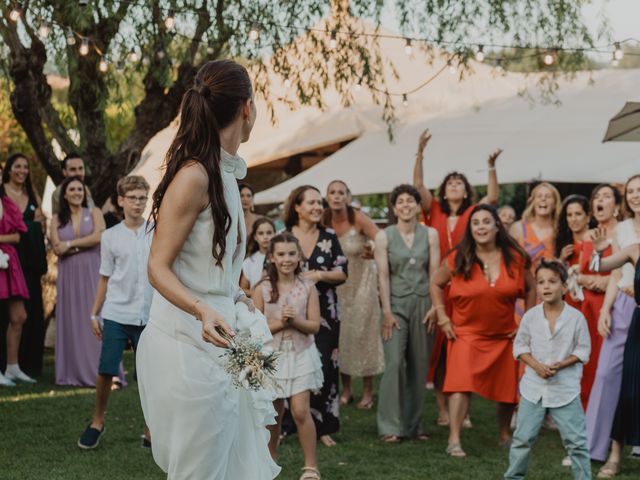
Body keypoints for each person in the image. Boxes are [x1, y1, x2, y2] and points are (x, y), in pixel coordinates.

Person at [135, 60, 280, 479]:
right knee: (201, 469)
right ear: (247, 109)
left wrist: (234, 296)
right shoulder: (194, 175)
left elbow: (209, 265)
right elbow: (157, 267)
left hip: (227, 335)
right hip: (187, 343)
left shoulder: (227, 173)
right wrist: (202, 307)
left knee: (238, 455)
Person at [413, 128, 502, 426]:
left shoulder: (474, 213)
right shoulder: (433, 210)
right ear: (444, 189)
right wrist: (420, 152)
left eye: (459, 182)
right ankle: (442, 409)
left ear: (466, 191)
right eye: (450, 182)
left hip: (467, 287)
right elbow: (418, 186)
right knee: (439, 353)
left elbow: (493, 197)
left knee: (464, 348)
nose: (454, 185)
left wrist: (490, 167)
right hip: (439, 285)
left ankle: (464, 409)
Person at [431, 204, 535, 457]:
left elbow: (531, 288)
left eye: (486, 221)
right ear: (471, 229)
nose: (481, 227)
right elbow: (435, 282)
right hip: (465, 332)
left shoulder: (516, 257)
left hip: (503, 335)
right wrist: (443, 316)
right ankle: (454, 439)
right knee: (460, 384)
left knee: (507, 390)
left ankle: (503, 434)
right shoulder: (457, 258)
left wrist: (526, 323)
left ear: (497, 226)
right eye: (475, 223)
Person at [77, 176, 153, 450]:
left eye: (142, 198)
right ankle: (97, 421)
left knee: (150, 373)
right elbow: (105, 277)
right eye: (132, 197)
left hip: (150, 314)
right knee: (107, 368)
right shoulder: (110, 236)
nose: (137, 203)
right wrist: (94, 314)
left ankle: (150, 428)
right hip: (117, 312)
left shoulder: (156, 231)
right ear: (121, 200)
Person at [505, 259, 591, 480]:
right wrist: (535, 366)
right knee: (522, 439)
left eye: (552, 282)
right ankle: (513, 477)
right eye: (541, 282)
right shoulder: (531, 316)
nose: (546, 287)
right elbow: (520, 346)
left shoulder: (576, 318)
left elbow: (583, 350)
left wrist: (562, 364)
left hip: (565, 390)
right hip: (533, 389)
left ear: (563, 286)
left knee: (577, 443)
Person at [254, 232, 323, 480]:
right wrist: (281, 322)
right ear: (272, 257)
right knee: (273, 413)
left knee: (300, 411)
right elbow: (255, 329)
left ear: (299, 256)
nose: (287, 259)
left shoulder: (307, 287)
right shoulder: (261, 288)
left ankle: (310, 466)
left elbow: (314, 326)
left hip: (301, 353)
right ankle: (270, 461)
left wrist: (296, 320)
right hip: (271, 356)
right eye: (281, 254)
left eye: (292, 254)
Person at [375, 184, 440, 442]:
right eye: (400, 201)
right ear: (394, 207)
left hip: (424, 304)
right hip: (396, 306)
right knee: (393, 365)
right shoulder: (384, 236)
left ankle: (414, 426)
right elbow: (382, 276)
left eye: (410, 201)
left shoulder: (431, 234)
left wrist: (436, 307)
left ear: (417, 205)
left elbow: (434, 273)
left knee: (419, 365)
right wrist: (387, 312)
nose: (405, 205)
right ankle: (390, 426)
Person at [285, 185, 348, 448]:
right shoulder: (285, 237)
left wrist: (319, 275)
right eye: (310, 203)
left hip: (326, 314)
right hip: (290, 313)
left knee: (323, 367)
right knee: (289, 366)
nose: (316, 207)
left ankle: (323, 427)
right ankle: (288, 425)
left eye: (318, 203)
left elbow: (343, 272)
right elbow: (271, 272)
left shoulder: (329, 237)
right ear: (297, 207)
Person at [587, 175, 640, 463]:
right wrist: (606, 309)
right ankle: (593, 446)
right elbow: (613, 272)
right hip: (622, 304)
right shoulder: (621, 229)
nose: (635, 195)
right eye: (631, 191)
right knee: (606, 374)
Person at [323, 179, 384, 410]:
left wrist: (373, 249)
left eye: (341, 192)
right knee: (342, 337)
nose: (337, 196)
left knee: (363, 335)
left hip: (362, 285)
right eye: (332, 192)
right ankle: (346, 389)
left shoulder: (358, 217)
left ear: (347, 196)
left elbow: (380, 238)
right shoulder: (324, 218)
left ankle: (368, 391)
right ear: (327, 196)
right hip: (336, 287)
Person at [50, 176, 105, 386]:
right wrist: (81, 245)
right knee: (71, 318)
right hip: (68, 274)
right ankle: (71, 371)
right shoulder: (56, 218)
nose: (76, 193)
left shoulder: (94, 212)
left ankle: (99, 371)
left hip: (91, 270)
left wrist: (70, 244)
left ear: (85, 193)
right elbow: (56, 246)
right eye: (72, 189)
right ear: (65, 194)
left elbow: (99, 236)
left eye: (80, 189)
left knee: (93, 315)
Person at [2, 153, 47, 377]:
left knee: (25, 314)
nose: (22, 171)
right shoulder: (3, 195)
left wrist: (37, 226)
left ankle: (20, 364)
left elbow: (37, 226)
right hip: (5, 259)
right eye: (17, 166)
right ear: (8, 170)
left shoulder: (30, 195)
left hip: (26, 261)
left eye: (25, 167)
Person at [578, 184, 621, 409]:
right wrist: (589, 280)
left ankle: (612, 411)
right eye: (596, 197)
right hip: (589, 305)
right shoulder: (588, 236)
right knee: (588, 358)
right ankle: (587, 411)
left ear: (616, 206)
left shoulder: (625, 233)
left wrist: (607, 282)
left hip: (614, 304)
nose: (599, 200)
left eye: (606, 196)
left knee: (609, 362)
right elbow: (580, 271)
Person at [0, 185, 36, 386]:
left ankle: (12, 366)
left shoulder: (6, 203)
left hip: (9, 261)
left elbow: (17, 236)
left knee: (19, 316)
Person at [555, 195, 593, 309]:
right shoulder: (563, 243)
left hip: (592, 300)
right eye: (569, 215)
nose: (573, 219)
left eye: (578, 214)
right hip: (570, 303)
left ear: (588, 217)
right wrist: (561, 260)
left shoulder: (597, 241)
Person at [240, 217, 275, 295]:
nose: (265, 237)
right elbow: (243, 289)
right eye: (261, 233)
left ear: (275, 234)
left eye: (269, 233)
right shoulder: (249, 261)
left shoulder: (281, 257)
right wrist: (258, 294)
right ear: (255, 237)